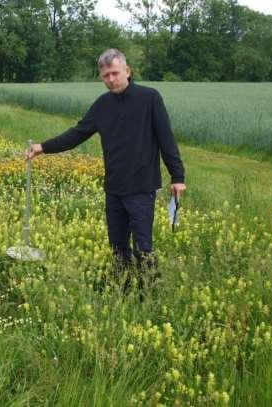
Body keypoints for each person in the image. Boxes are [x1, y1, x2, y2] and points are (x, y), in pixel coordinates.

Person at [25, 48, 186, 295]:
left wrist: (178, 177)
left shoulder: (150, 98)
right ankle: (122, 289)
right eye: (105, 76)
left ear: (127, 71)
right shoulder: (102, 105)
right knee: (118, 245)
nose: (110, 79)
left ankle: (149, 294)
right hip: (114, 187)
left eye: (114, 73)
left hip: (142, 187)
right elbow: (77, 134)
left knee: (143, 246)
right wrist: (43, 147)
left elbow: (166, 138)